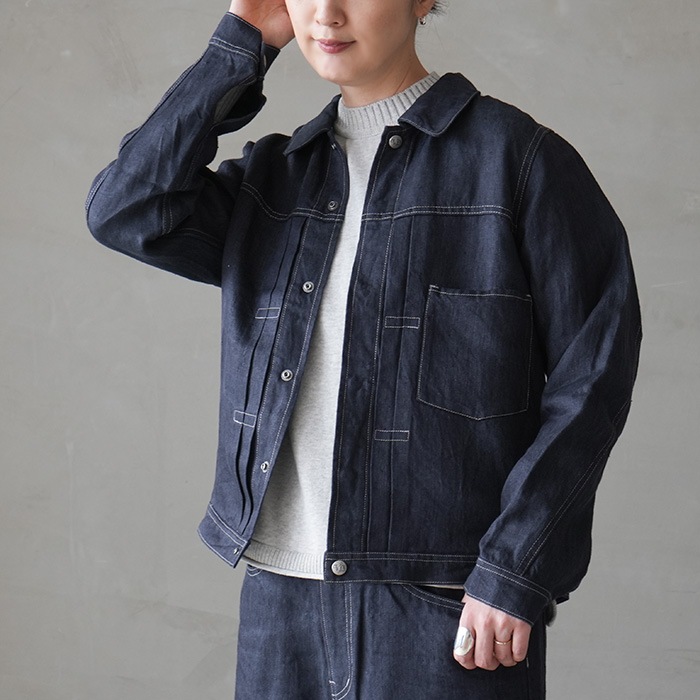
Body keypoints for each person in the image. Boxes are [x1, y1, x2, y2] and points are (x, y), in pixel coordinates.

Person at [86, 1, 641, 697]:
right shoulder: (274, 181)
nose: (327, 13)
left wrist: (515, 568)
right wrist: (241, 44)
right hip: (281, 609)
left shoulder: (518, 162)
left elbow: (596, 374)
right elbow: (126, 210)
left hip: (445, 608)